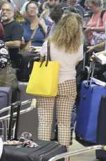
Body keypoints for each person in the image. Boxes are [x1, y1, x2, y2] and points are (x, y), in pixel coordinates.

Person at [36, 13, 84, 147]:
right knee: (64, 123)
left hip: (48, 82)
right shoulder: (78, 45)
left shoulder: (50, 43)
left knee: (45, 121)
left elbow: (42, 58)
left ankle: (43, 156)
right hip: (68, 83)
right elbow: (78, 61)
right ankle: (63, 158)